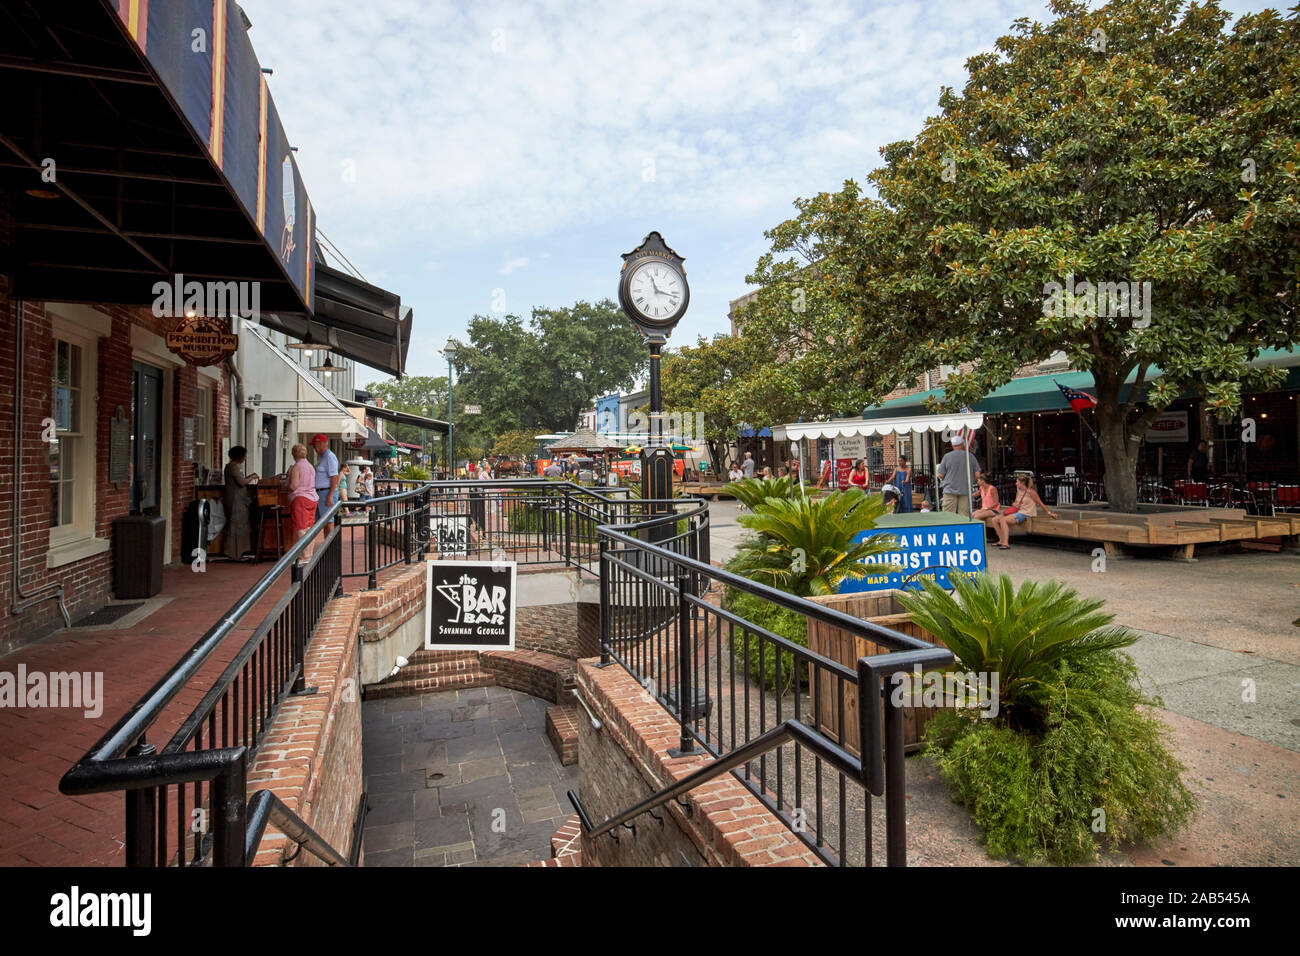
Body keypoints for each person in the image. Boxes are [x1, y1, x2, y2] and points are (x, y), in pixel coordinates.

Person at [990, 474, 1058, 550]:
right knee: (994, 520)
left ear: (1022, 483)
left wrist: (1049, 513)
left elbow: (1040, 503)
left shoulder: (1031, 492)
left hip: (1026, 513)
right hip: (1018, 511)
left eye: (1017, 482)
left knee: (1003, 520)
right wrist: (1015, 505)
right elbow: (1014, 503)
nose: (1016, 483)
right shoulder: (1019, 492)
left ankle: (1005, 543)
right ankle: (1001, 540)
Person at [222, 446, 258, 560]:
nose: (245, 458)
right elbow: (241, 483)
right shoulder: (233, 467)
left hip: (234, 498)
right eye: (244, 455)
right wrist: (252, 477)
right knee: (237, 524)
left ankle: (237, 552)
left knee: (237, 524)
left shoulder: (231, 466)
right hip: (236, 500)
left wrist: (248, 477)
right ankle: (235, 553)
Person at [287, 443, 319, 562]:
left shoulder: (296, 467)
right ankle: (309, 554)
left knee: (300, 528)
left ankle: (304, 555)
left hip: (300, 498)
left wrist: (287, 486)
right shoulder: (310, 466)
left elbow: (294, 486)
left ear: (294, 454)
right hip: (313, 498)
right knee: (309, 527)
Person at [936, 435, 979, 516]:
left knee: (948, 516)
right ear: (963, 444)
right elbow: (977, 474)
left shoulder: (947, 456)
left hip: (949, 490)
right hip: (965, 490)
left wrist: (948, 479)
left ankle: (950, 529)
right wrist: (971, 481)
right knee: (964, 516)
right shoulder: (970, 456)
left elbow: (940, 475)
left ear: (952, 446)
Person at [310, 434, 340, 536]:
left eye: (314, 445)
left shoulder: (329, 457)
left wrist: (330, 495)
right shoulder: (322, 457)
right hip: (321, 492)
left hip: (326, 492)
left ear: (320, 444)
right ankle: (327, 547)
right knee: (324, 522)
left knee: (328, 522)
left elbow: (334, 477)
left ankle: (330, 548)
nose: (314, 448)